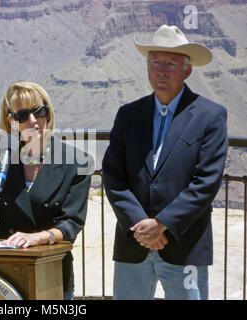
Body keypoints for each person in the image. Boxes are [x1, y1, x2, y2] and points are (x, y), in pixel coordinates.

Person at [102, 25, 228, 300]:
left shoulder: (210, 116)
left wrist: (162, 223)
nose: (161, 71)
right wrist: (139, 223)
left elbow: (206, 183)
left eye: (170, 64)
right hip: (132, 244)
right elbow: (113, 176)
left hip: (185, 245)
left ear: (187, 71)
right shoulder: (128, 115)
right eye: (155, 63)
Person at [0, 81, 94, 299]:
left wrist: (37, 238)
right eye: (23, 115)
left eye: (40, 112)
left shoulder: (77, 162)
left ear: (49, 113)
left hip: (52, 272)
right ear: (10, 121)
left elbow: (71, 224)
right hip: (4, 273)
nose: (33, 121)